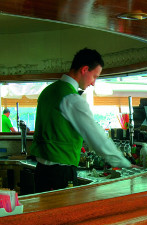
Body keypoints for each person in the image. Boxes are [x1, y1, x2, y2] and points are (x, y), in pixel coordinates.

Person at [30, 48, 131, 192]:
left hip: (41, 172)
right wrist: (124, 163)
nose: (93, 83)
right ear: (84, 69)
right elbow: (96, 137)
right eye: (95, 76)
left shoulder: (48, 91)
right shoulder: (71, 99)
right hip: (60, 173)